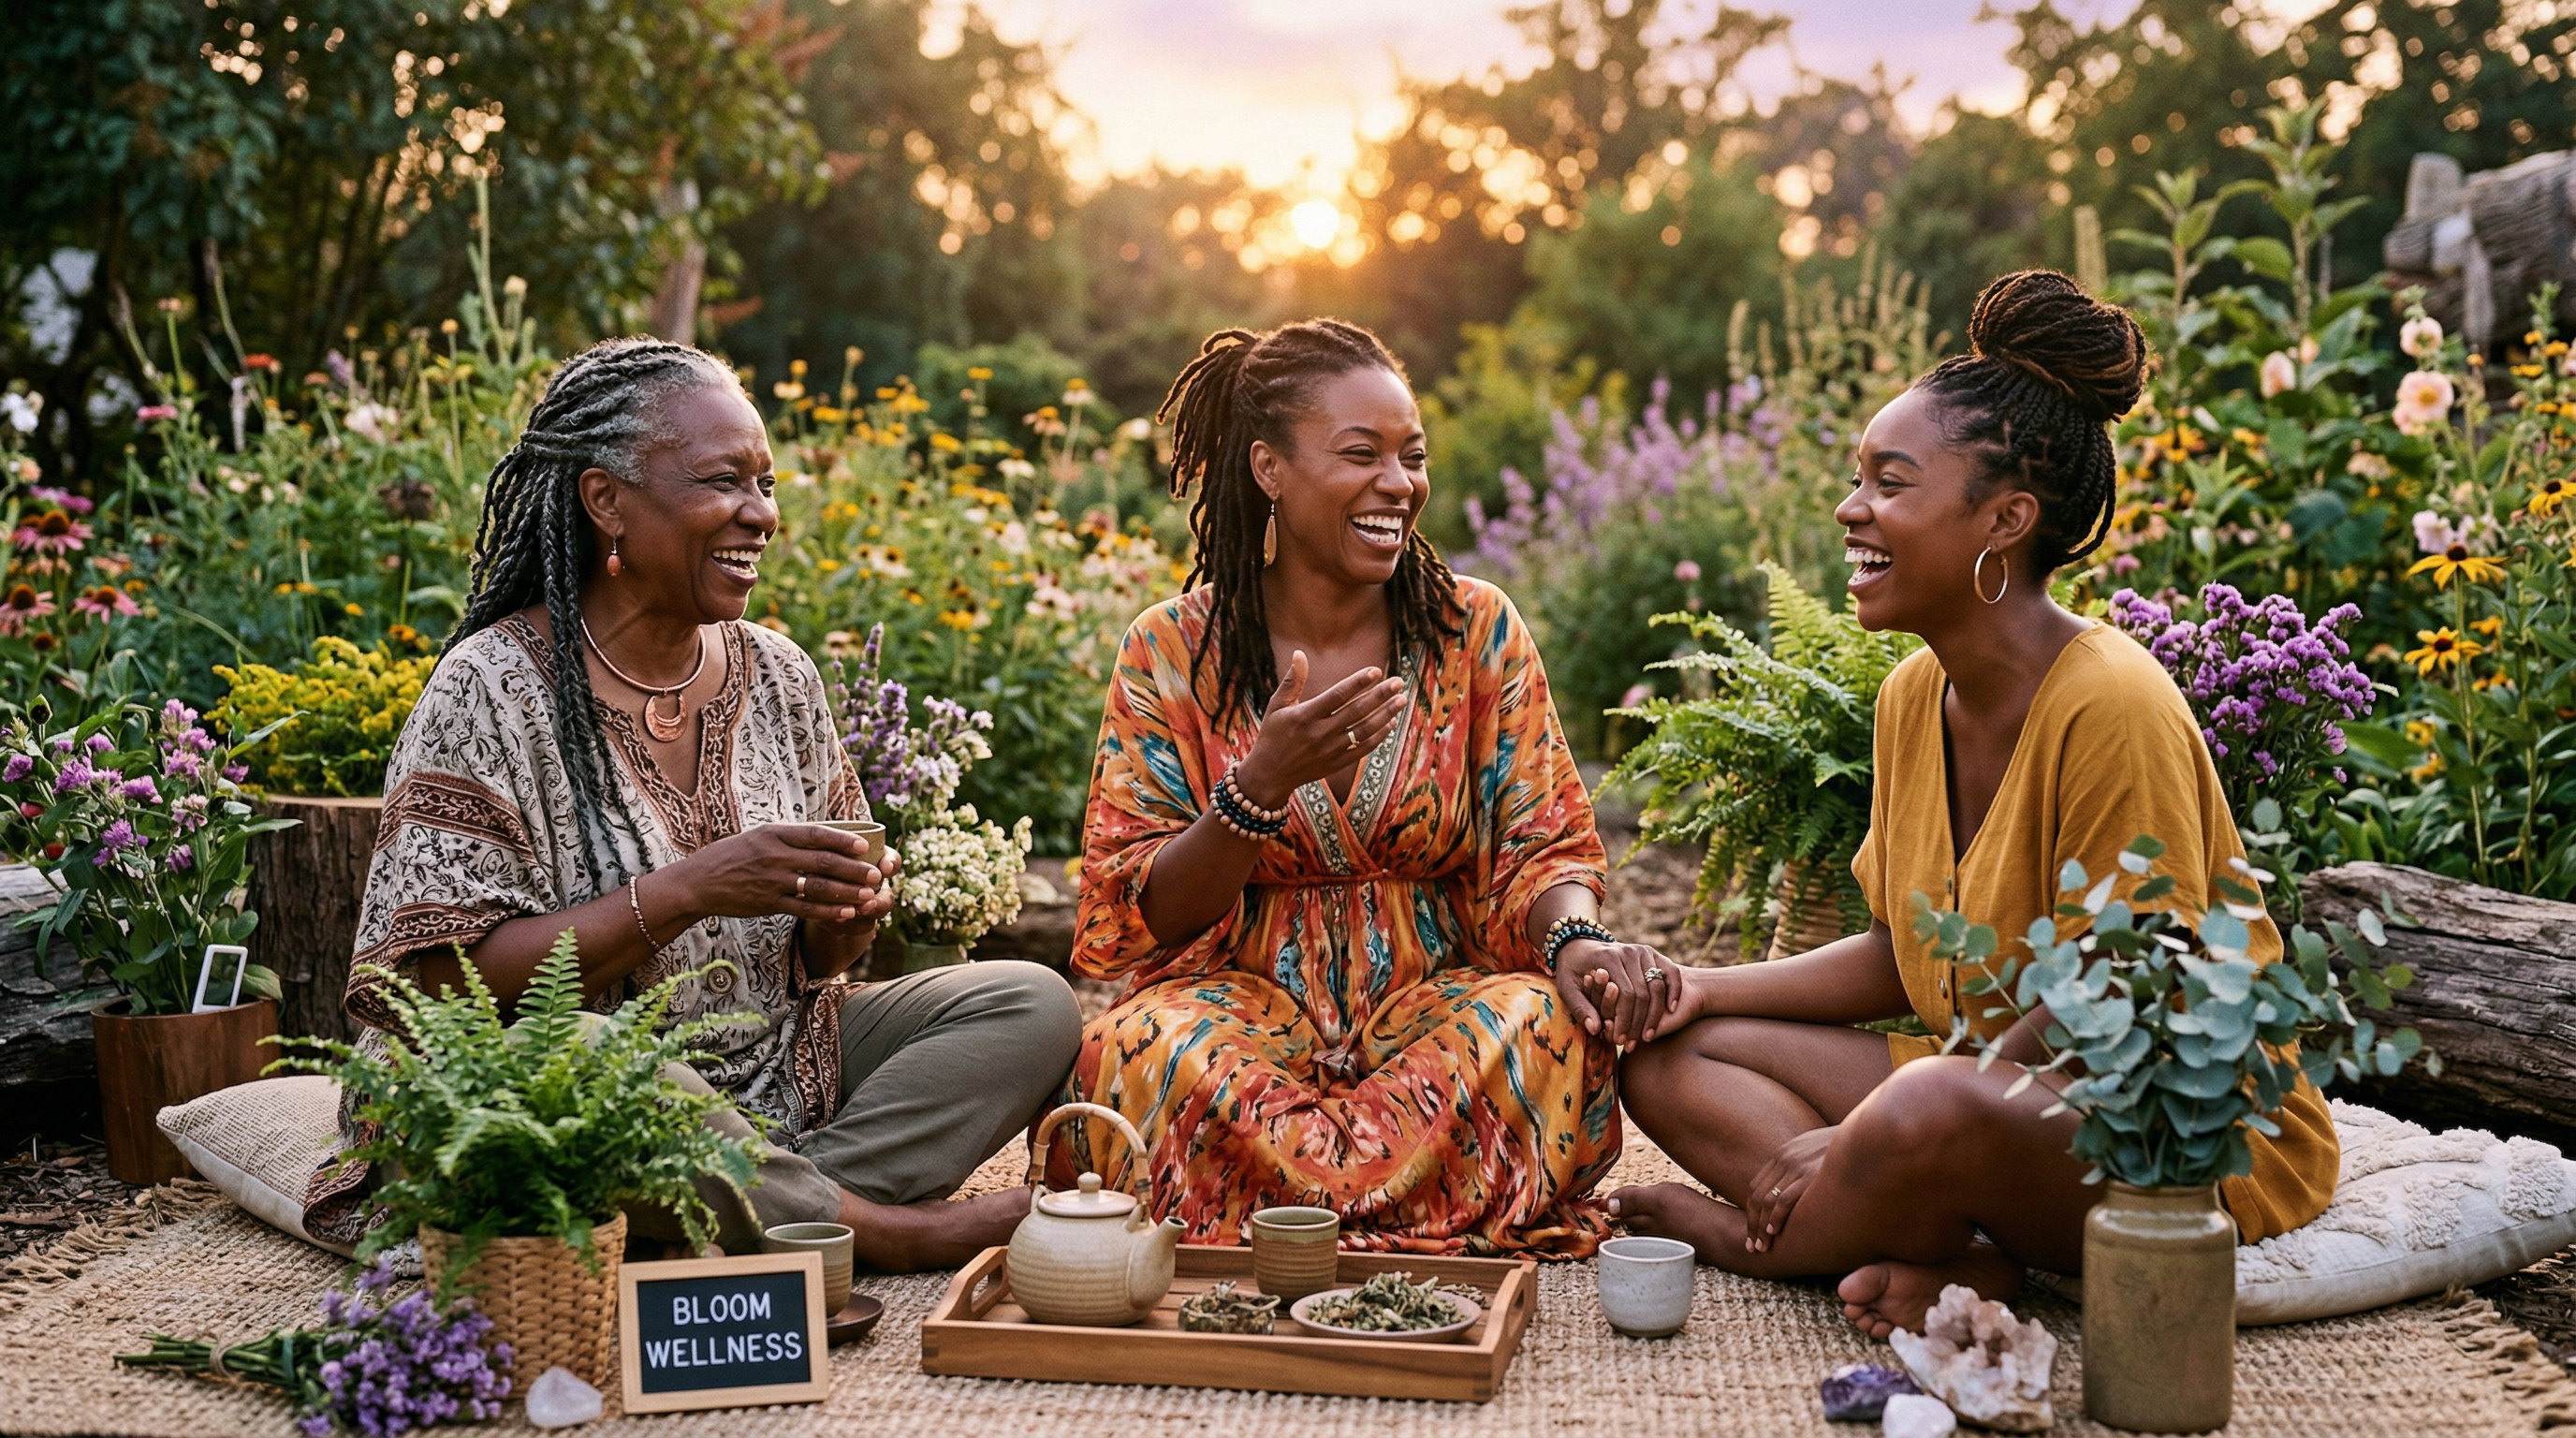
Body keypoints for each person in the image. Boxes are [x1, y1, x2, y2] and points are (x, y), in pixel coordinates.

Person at [1607, 271, 2338, 1333]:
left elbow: (2122, 996)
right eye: (1857, 479)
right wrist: (1702, 987)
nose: (1851, 510)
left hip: (2172, 1126)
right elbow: (1894, 952)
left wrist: (1872, 1129)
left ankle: (1765, 1241)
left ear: (2005, 519)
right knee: (1671, 1057)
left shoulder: (2110, 702)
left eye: (1890, 484)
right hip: (1982, 1093)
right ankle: (1951, 1249)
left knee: (1927, 1103)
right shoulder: (1915, 693)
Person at [303, 337, 1082, 1270]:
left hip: (773, 1067)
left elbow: (821, 964)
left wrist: (840, 922)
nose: (759, 515)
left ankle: (750, 1202)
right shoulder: (488, 691)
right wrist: (692, 888)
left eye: (766, 484)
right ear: (607, 502)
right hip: (553, 1096)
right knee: (596, 1059)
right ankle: (879, 1229)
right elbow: (430, 987)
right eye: (724, 482)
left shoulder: (779, 675)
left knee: (1028, 1002)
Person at [1047, 319, 1681, 1258]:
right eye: (1362, 454)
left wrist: (1575, 937)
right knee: (1131, 1052)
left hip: (1438, 1004)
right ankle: (1421, 1209)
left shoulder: (1473, 631)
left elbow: (1540, 837)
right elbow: (1146, 915)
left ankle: (1270, 1225)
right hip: (1235, 1005)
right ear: (1268, 469)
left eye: (1411, 457)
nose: (1398, 484)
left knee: (1545, 1026)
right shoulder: (1171, 648)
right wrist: (1256, 788)